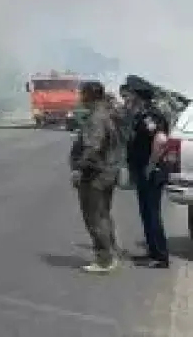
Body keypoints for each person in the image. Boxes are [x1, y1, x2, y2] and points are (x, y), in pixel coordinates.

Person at [69, 80, 123, 273]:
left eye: (82, 93)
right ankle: (111, 252)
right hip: (108, 173)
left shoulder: (96, 118)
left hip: (95, 176)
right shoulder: (105, 113)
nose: (80, 97)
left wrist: (79, 170)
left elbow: (93, 148)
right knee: (104, 215)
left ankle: (104, 260)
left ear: (90, 95)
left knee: (94, 217)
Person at [123, 75, 172, 269]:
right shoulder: (141, 114)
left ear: (138, 95)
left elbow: (160, 140)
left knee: (152, 213)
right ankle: (153, 252)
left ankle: (160, 257)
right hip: (145, 171)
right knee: (146, 213)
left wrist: (150, 166)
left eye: (129, 93)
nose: (126, 96)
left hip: (151, 172)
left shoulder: (151, 116)